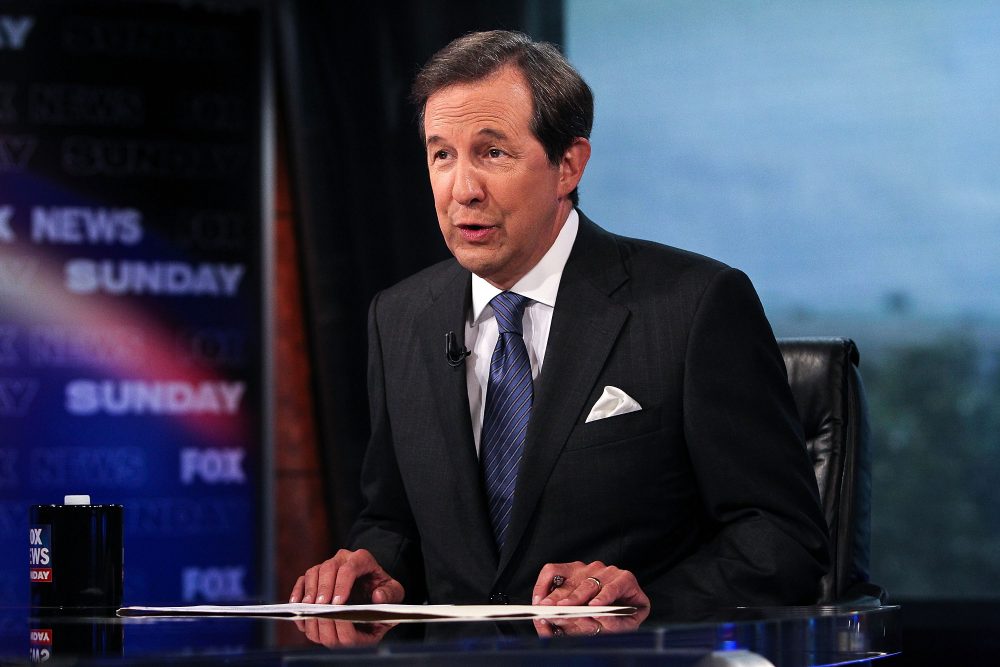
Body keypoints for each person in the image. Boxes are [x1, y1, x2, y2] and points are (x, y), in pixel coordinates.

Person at [289, 30, 829, 618]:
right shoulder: (399, 318)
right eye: (442, 155)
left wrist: (646, 606)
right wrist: (377, 570)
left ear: (568, 165)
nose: (462, 190)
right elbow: (393, 521)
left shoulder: (693, 306)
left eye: (493, 153)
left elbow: (782, 537)